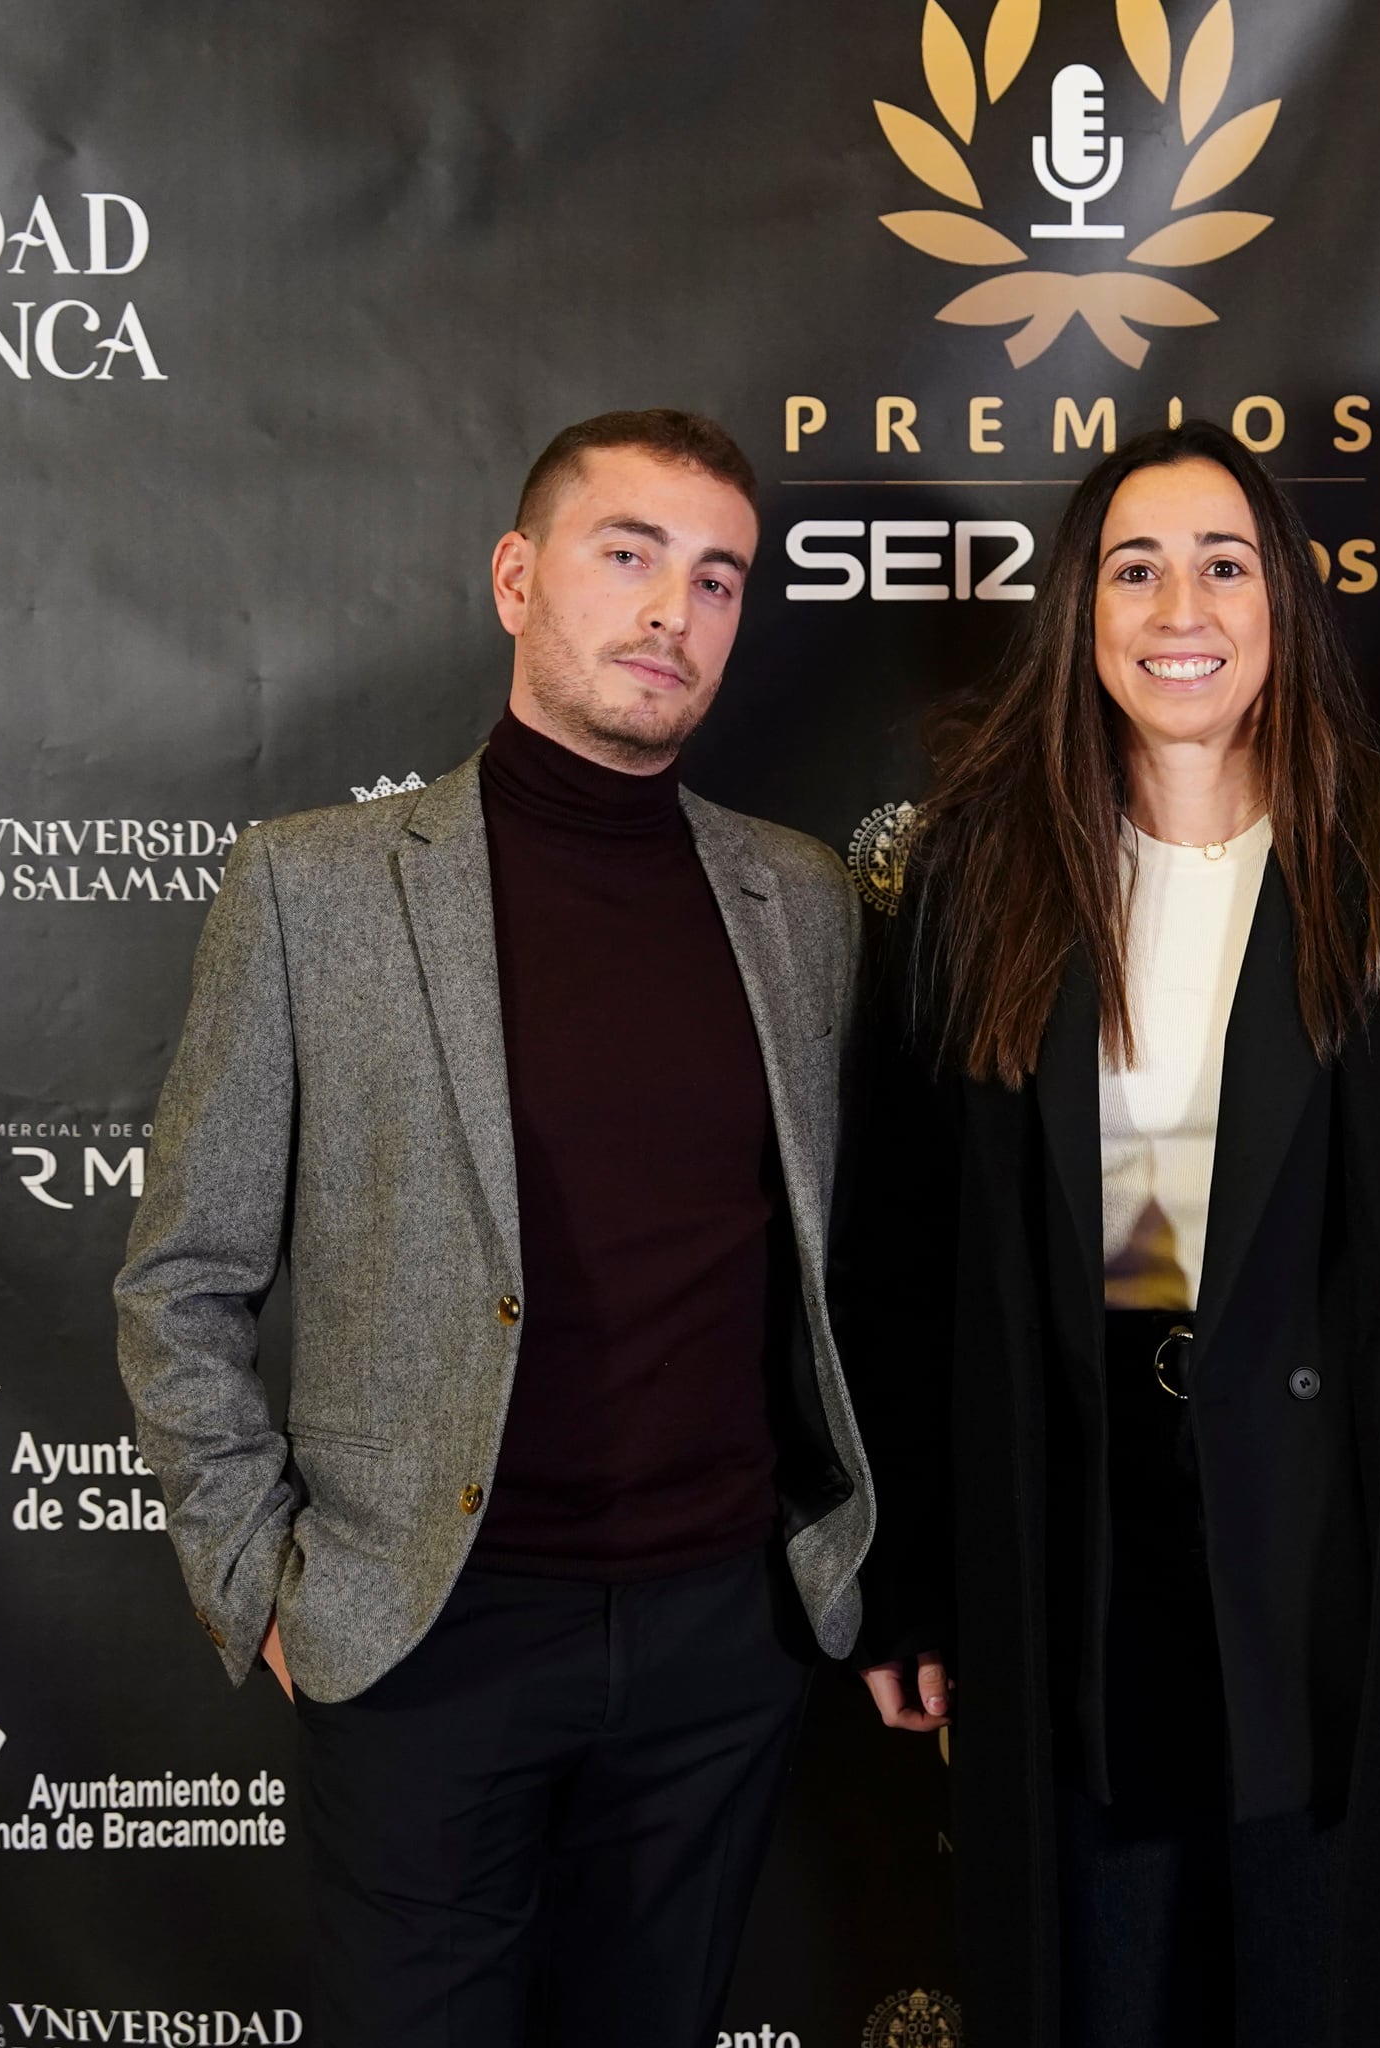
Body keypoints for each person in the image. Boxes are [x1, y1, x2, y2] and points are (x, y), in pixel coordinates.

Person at [834, 420, 1380, 2047]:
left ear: (1285, 605)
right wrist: (904, 1583)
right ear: (1082, 613)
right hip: (1084, 1555)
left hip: (1361, 1560)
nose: (1180, 608)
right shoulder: (984, 875)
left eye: (1224, 565)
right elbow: (906, 1265)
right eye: (1135, 570)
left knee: (1335, 1987)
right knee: (1104, 1985)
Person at [116, 409, 873, 2044]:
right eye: (629, 553)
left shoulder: (804, 900)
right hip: (427, 1635)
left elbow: (842, 1263)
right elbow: (182, 1275)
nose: (674, 610)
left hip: (719, 1637)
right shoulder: (313, 887)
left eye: (719, 578)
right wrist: (261, 1583)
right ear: (517, 578)